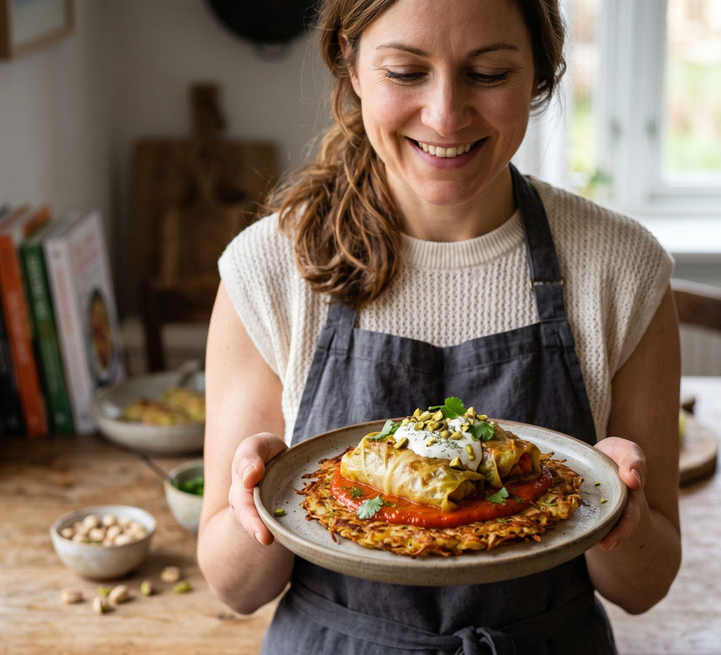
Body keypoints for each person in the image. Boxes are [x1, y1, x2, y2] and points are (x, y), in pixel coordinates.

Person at [197, 0, 682, 652]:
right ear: (352, 62)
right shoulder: (269, 269)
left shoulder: (620, 269)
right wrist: (250, 503)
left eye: (488, 73)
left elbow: (643, 587)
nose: (446, 115)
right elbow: (236, 588)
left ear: (538, 70)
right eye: (405, 71)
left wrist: (623, 511)